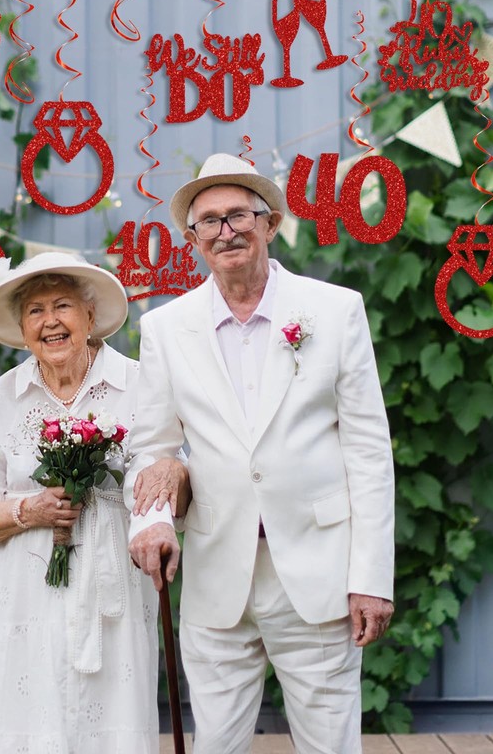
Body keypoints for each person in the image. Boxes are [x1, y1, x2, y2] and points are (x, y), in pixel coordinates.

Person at [127, 153, 395, 754]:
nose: (226, 231)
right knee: (216, 745)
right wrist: (153, 521)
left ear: (269, 223)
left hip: (319, 572)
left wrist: (371, 578)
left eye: (238, 216)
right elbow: (151, 448)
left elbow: (369, 452)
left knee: (330, 746)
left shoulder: (335, 310)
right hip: (216, 572)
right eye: (209, 221)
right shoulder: (166, 328)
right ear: (193, 240)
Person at [0, 251, 187, 754]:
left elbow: (176, 492)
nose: (50, 321)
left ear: (90, 315)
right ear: (22, 328)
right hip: (27, 603)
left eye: (62, 306)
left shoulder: (140, 386)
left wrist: (176, 474)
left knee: (113, 728)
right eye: (35, 310)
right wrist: (27, 511)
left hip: (113, 601)